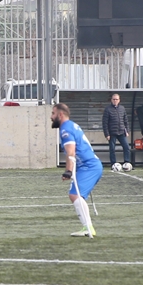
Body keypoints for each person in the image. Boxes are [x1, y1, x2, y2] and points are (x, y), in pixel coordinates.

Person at [52, 102, 104, 238]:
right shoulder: (71, 125)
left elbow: (71, 152)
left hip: (89, 166)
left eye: (53, 113)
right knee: (75, 194)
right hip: (88, 166)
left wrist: (68, 171)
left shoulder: (66, 129)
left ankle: (88, 228)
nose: (51, 117)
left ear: (60, 115)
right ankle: (87, 227)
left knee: (75, 195)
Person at [101, 93, 131, 168]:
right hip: (112, 133)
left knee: (126, 147)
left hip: (122, 132)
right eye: (114, 99)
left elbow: (125, 120)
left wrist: (127, 130)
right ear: (111, 100)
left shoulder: (122, 108)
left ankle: (127, 163)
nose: (115, 101)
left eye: (116, 99)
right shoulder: (107, 109)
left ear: (119, 100)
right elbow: (105, 123)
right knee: (112, 149)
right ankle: (113, 164)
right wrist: (107, 134)